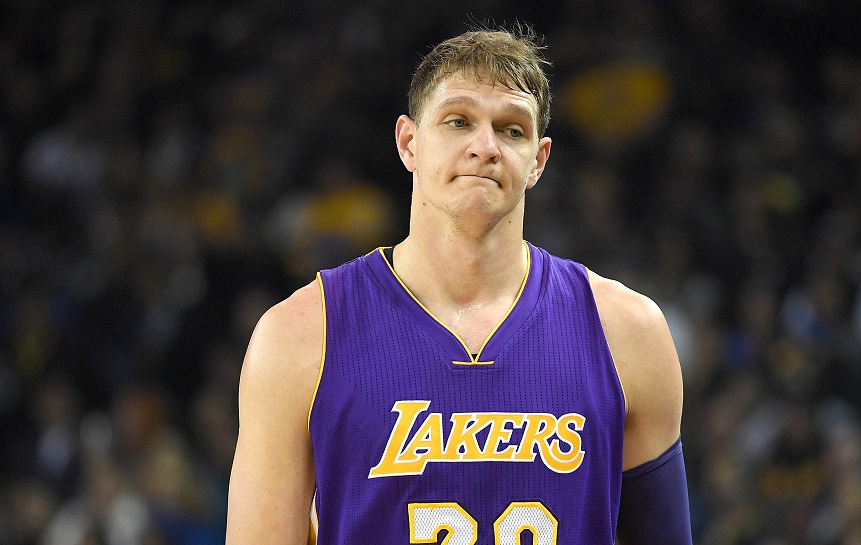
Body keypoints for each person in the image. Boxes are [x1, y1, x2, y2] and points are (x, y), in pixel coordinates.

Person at [226, 25, 692, 545]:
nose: (485, 146)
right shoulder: (298, 336)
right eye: (458, 121)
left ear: (538, 161)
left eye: (513, 130)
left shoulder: (629, 333)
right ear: (409, 143)